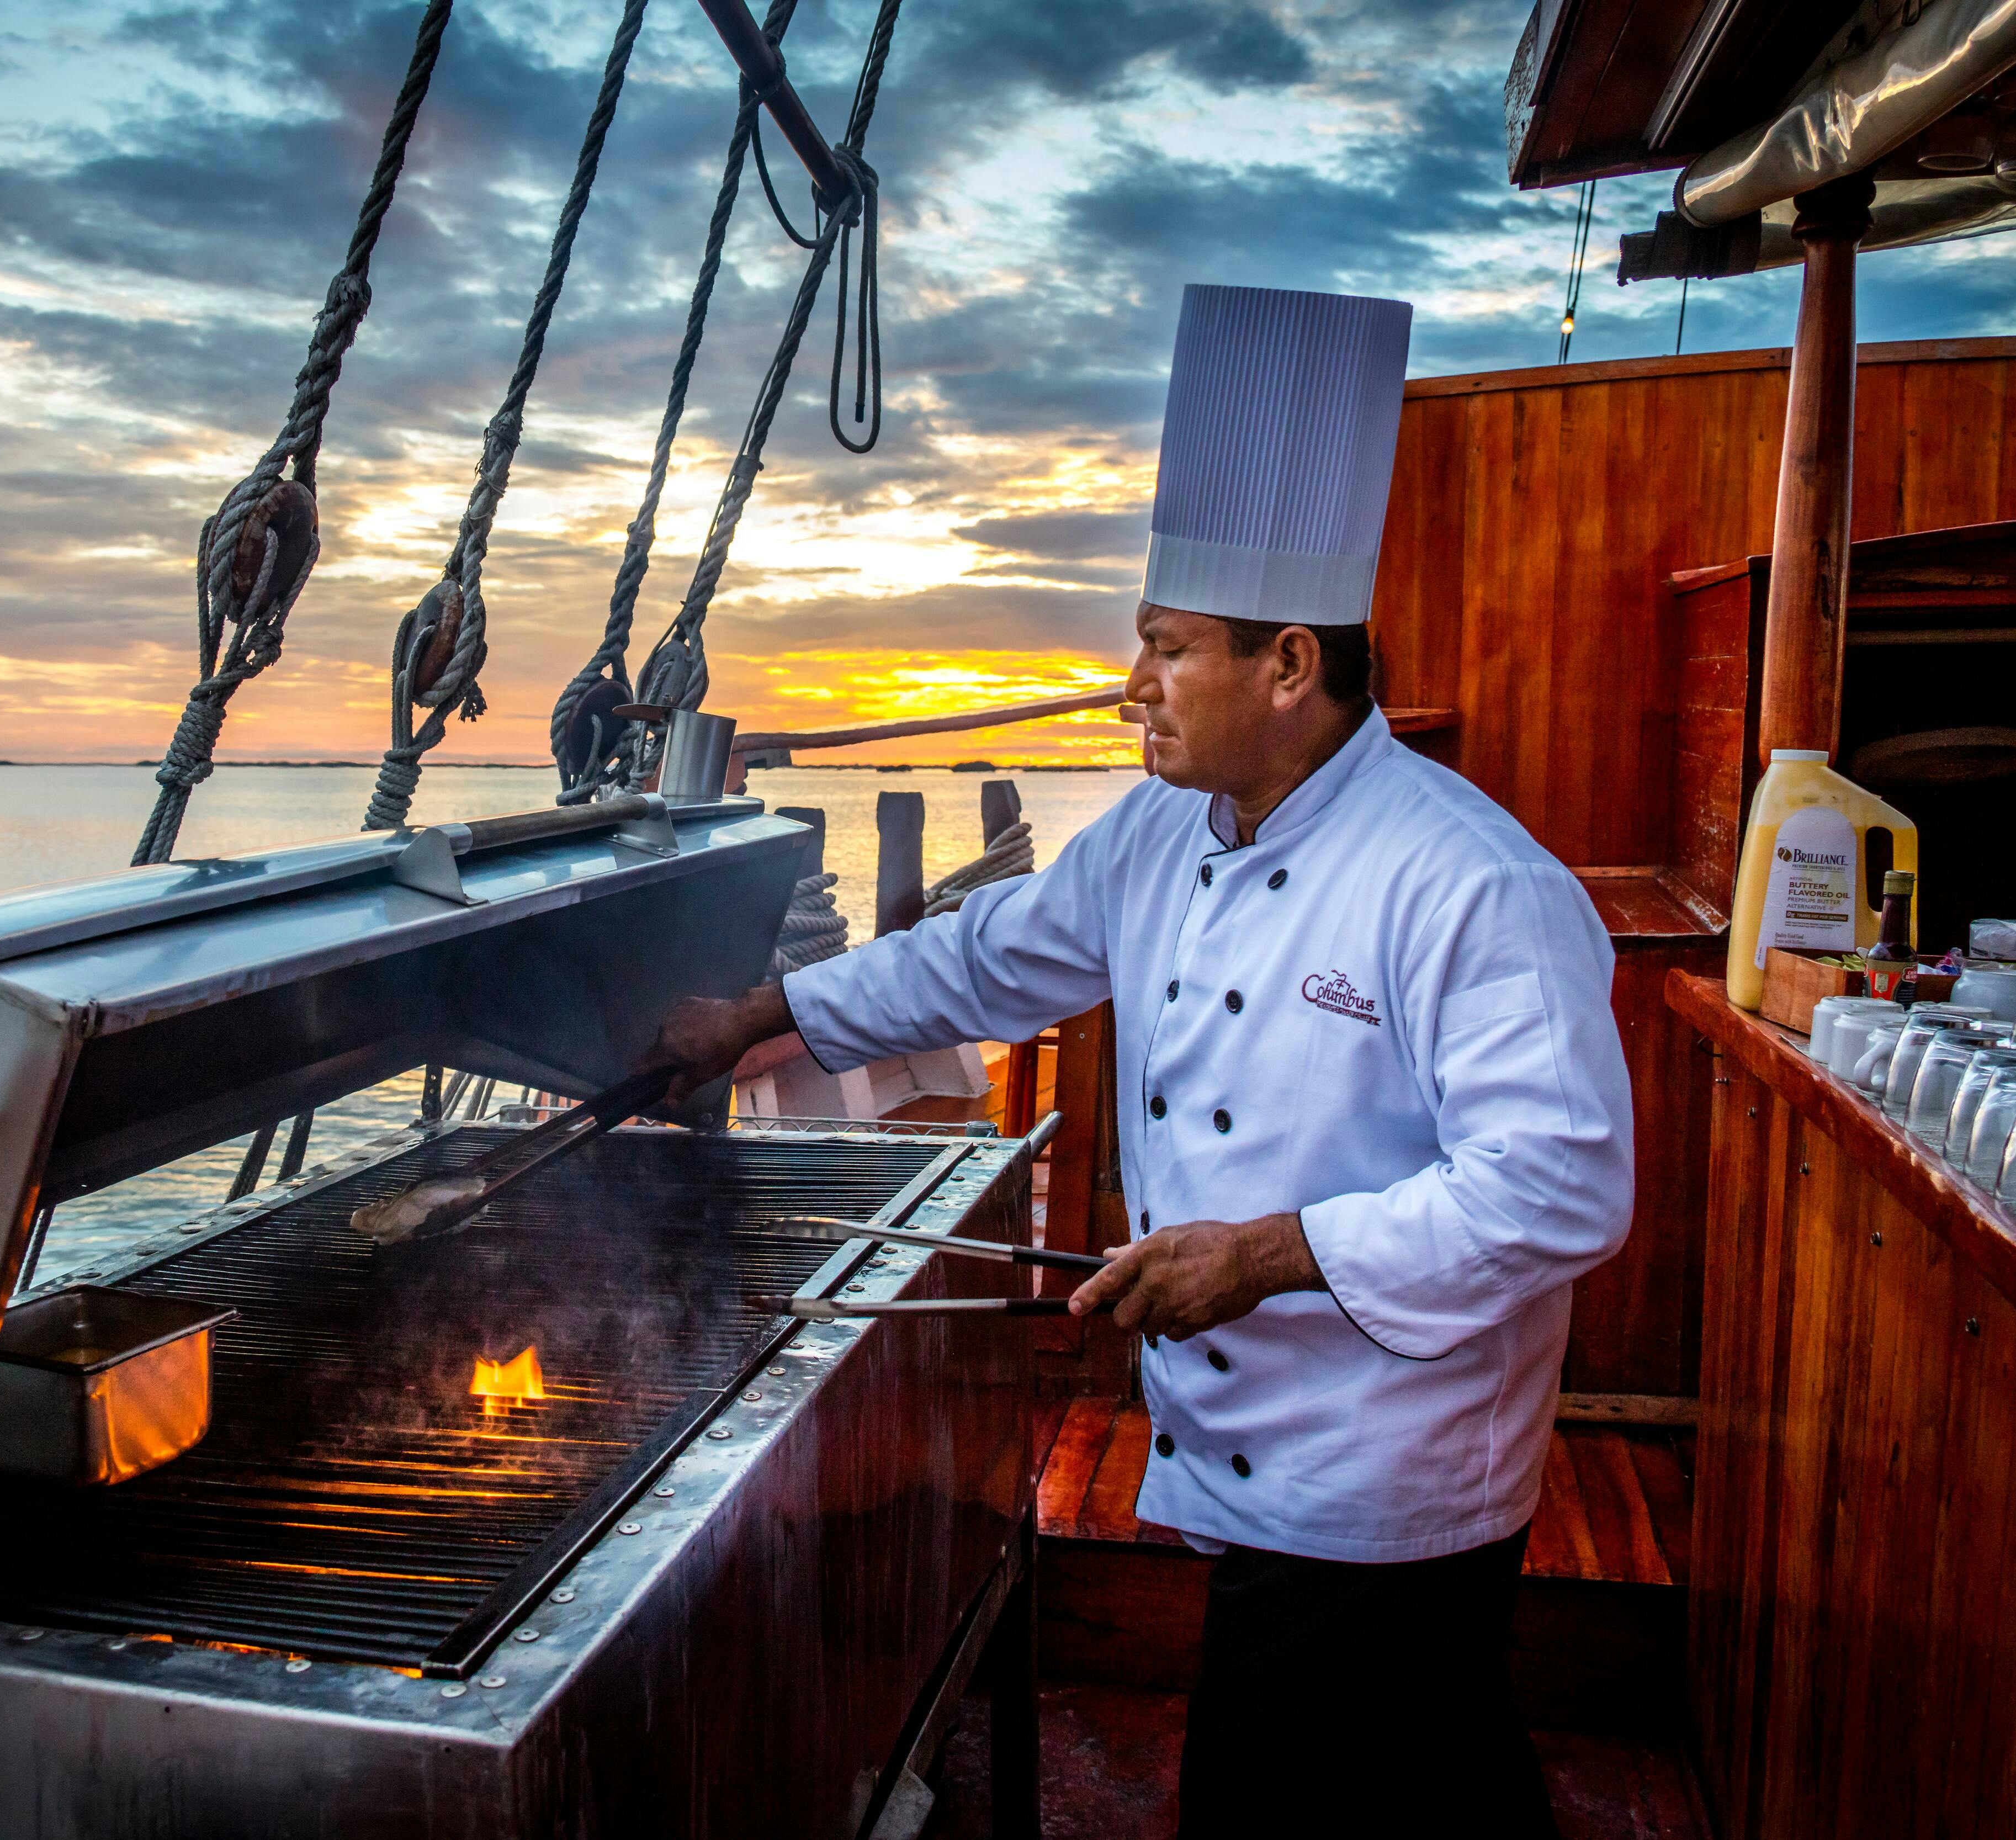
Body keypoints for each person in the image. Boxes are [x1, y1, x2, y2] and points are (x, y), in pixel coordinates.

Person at [648, 286, 1633, 1836]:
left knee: (1303, 1788)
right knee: (1425, 1774)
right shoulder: (1170, 830)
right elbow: (986, 955)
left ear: (1291, 666)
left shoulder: (1472, 882)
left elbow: (1559, 1191)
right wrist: (763, 1019)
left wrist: (1261, 1253)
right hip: (1250, 1445)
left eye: (1168, 654)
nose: (1132, 688)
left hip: (1390, 1474)